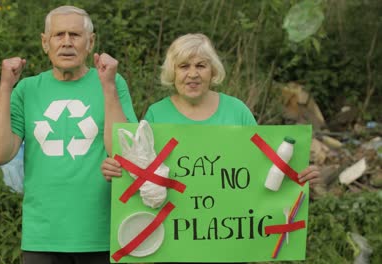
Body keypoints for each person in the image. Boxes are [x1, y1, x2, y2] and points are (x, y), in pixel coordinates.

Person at [101, 33, 320, 264]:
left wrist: (299, 175)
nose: (192, 74)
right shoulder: (157, 114)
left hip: (229, 244)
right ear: (172, 72)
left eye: (201, 66)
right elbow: (144, 169)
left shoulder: (237, 111)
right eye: (184, 66)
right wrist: (117, 170)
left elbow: (265, 170)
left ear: (213, 71)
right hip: (175, 246)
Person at [0, 5, 137, 264]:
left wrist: (109, 87)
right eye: (59, 35)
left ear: (91, 43)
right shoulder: (27, 89)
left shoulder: (112, 82)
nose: (67, 43)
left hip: (101, 233)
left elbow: (125, 152)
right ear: (45, 43)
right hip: (42, 236)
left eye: (75, 35)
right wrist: (5, 87)